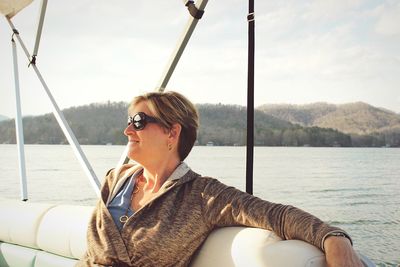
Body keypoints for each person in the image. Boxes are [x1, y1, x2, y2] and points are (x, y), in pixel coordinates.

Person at [77, 91, 363, 267]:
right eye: (128, 122)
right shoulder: (115, 179)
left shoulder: (203, 196)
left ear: (172, 133)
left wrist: (333, 237)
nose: (128, 130)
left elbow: (275, 214)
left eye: (138, 122)